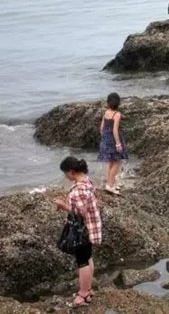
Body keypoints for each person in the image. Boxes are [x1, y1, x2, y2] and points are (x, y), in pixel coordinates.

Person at [55, 157, 102, 307]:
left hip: (82, 229)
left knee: (82, 262)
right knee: (88, 258)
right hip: (91, 227)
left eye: (65, 173)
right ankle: (88, 289)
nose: (65, 177)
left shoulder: (79, 190)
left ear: (71, 172)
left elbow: (82, 212)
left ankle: (83, 294)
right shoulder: (87, 180)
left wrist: (63, 206)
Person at [97, 92, 128, 195]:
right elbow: (115, 130)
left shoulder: (106, 112)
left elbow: (101, 128)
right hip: (114, 140)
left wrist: (104, 138)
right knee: (116, 162)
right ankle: (110, 186)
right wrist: (118, 144)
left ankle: (110, 183)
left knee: (109, 161)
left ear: (108, 102)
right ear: (118, 103)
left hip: (106, 139)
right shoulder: (117, 114)